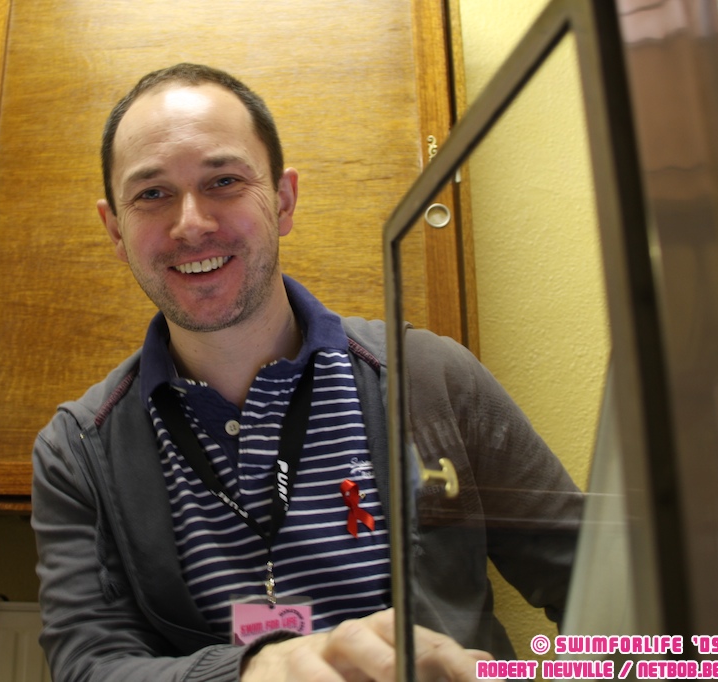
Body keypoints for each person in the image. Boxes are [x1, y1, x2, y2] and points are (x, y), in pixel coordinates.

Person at [31, 63, 582, 682]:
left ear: (283, 200)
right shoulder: (76, 450)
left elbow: (603, 584)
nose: (192, 224)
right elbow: (89, 664)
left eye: (224, 181)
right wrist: (248, 673)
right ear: (115, 230)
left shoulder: (433, 378)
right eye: (152, 194)